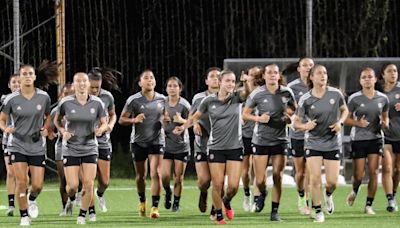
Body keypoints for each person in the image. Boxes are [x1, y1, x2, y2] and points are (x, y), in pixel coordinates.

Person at [174, 70, 250, 225]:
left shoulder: (237, 98)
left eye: (233, 81)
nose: (230, 84)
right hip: (215, 147)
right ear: (220, 82)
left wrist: (246, 82)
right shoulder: (208, 101)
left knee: (234, 186)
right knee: (218, 184)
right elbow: (194, 117)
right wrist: (184, 127)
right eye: (227, 81)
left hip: (235, 147)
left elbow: (247, 93)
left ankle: (226, 201)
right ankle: (219, 214)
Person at [293, 64, 348, 223]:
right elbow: (295, 123)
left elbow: (345, 110)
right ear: (311, 77)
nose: (323, 75)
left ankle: (328, 195)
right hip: (313, 142)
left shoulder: (336, 94)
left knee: (332, 182)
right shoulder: (306, 99)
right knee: (315, 178)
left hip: (332, 142)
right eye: (318, 73)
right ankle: (318, 211)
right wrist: (305, 126)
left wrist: (340, 123)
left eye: (324, 72)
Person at [0, 65, 53, 226]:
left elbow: (48, 116)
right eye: (25, 74)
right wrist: (5, 128)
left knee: (37, 185)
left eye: (31, 74)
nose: (28, 76)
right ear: (20, 78)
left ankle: (31, 199)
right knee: (21, 181)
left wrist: (45, 128)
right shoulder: (11, 99)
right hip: (17, 144)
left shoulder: (44, 97)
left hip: (37, 145)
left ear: (35, 77)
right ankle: (24, 216)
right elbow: (2, 119)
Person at [243, 64, 296, 221]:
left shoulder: (287, 92)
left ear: (279, 76)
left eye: (275, 73)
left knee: (277, 176)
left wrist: (290, 117)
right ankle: (262, 193)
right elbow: (245, 114)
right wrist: (258, 118)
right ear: (264, 76)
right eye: (269, 73)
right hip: (261, 140)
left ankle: (274, 211)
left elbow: (294, 109)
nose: (272, 75)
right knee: (259, 180)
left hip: (280, 140)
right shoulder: (257, 94)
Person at [54, 72, 108, 225]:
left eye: (84, 81)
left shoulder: (97, 103)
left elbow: (104, 122)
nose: (82, 84)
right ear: (74, 85)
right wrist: (63, 131)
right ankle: (72, 199)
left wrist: (100, 129)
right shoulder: (65, 102)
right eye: (78, 81)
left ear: (88, 83)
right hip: (71, 148)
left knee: (88, 183)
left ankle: (82, 215)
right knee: (71, 186)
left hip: (90, 147)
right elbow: (57, 121)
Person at [119, 70, 165, 218]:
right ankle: (142, 202)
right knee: (141, 176)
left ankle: (155, 207)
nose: (149, 80)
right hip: (138, 142)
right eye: (146, 78)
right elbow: (121, 119)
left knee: (156, 173)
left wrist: (167, 121)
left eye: (152, 77)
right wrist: (134, 120)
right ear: (140, 83)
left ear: (155, 82)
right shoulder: (134, 100)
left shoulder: (163, 99)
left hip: (157, 141)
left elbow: (167, 116)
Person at [345, 68, 389, 214]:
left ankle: (369, 205)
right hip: (358, 139)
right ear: (360, 80)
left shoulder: (383, 98)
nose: (367, 79)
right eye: (364, 77)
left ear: (375, 79)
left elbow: (385, 117)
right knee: (358, 175)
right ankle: (355, 190)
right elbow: (345, 119)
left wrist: (385, 123)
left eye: (370, 77)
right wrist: (358, 123)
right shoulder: (354, 98)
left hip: (375, 139)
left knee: (374, 172)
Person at [87, 68, 119, 218]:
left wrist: (110, 125)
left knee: (105, 181)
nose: (94, 90)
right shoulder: (80, 98)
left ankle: (100, 194)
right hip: (85, 143)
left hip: (103, 141)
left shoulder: (107, 97)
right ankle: (91, 211)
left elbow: (112, 114)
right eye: (91, 87)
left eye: (97, 87)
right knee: (89, 180)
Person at [285, 57, 314, 215]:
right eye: (305, 65)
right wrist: (295, 114)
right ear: (298, 68)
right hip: (297, 133)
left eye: (311, 65)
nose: (308, 67)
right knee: (300, 171)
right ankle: (301, 196)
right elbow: (286, 108)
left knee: (310, 170)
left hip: (314, 136)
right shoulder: (292, 87)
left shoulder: (319, 85)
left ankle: (309, 201)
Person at [190, 67, 220, 215]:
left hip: (221, 145)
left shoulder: (228, 97)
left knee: (217, 180)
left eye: (218, 76)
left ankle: (216, 207)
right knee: (204, 181)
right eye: (212, 76)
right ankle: (203, 193)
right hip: (202, 143)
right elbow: (191, 117)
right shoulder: (198, 98)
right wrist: (195, 124)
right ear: (206, 81)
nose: (215, 78)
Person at [161, 77, 191, 212]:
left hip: (181, 145)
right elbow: (153, 120)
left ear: (180, 88)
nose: (172, 88)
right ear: (166, 88)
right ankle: (168, 192)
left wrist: (181, 121)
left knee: (178, 177)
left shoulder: (184, 105)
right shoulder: (161, 103)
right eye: (169, 86)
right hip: (166, 144)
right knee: (165, 176)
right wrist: (161, 120)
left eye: (175, 86)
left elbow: (193, 122)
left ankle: (176, 203)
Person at [239, 66, 263, 212]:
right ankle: (247, 193)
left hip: (259, 135)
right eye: (251, 74)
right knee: (245, 170)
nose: (253, 77)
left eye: (256, 75)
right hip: (243, 135)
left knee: (257, 168)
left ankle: (256, 198)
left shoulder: (263, 92)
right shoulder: (240, 94)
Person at [50, 83, 75, 216]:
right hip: (61, 146)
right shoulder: (57, 110)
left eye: (72, 94)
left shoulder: (82, 107)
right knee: (63, 179)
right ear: (61, 95)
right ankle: (65, 207)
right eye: (66, 94)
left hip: (79, 146)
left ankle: (75, 199)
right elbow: (49, 127)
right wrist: (51, 133)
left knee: (78, 180)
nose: (69, 97)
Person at [379, 63, 400, 212]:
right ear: (383, 75)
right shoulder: (378, 92)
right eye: (390, 71)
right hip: (385, 135)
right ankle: (390, 199)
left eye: (395, 71)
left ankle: (394, 193)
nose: (393, 73)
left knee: (398, 170)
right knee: (387, 167)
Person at [0, 74, 20, 216]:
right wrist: (6, 129)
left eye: (19, 82)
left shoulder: (32, 98)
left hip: (27, 141)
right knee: (11, 172)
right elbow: (2, 120)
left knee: (23, 174)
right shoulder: (5, 99)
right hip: (9, 140)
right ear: (9, 85)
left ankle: (28, 200)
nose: (17, 85)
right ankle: (11, 205)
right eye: (14, 82)